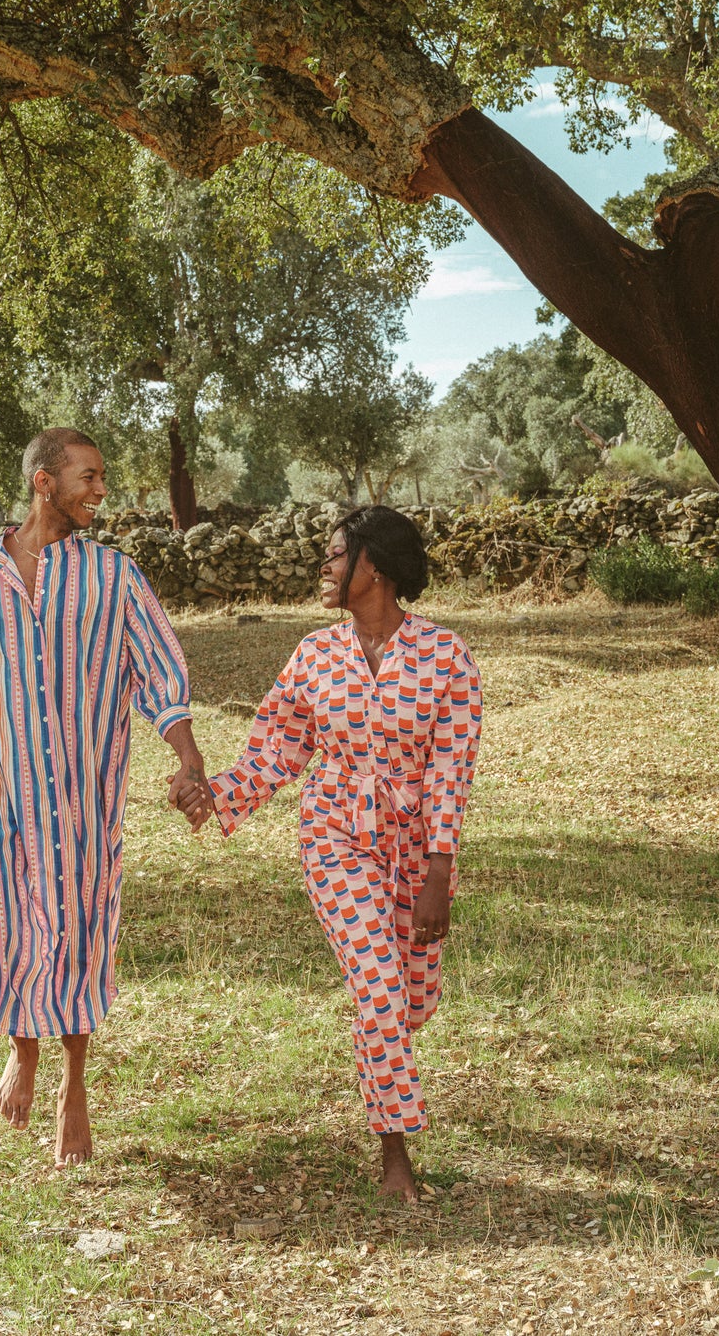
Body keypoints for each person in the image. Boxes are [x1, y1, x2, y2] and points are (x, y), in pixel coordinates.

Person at [0, 427, 209, 1167]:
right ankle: (20, 1047)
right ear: (43, 482)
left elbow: (162, 671)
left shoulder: (114, 577)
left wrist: (189, 762)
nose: (101, 490)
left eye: (102, 477)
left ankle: (72, 1085)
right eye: (89, 477)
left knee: (75, 924)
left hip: (80, 791)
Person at [175, 506, 482, 1202]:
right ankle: (394, 1154)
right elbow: (276, 750)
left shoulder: (446, 655)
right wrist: (213, 795)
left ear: (372, 565)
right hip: (334, 834)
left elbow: (450, 771)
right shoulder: (314, 655)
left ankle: (387, 1064)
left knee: (410, 1000)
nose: (325, 565)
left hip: (415, 844)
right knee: (377, 988)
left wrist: (438, 872)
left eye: (336, 554)